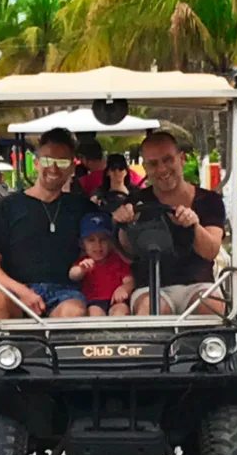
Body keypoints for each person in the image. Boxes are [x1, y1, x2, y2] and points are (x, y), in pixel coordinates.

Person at [112, 131, 225, 316]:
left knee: (211, 305)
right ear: (145, 167)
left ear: (182, 158)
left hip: (197, 285)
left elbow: (211, 250)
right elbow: (127, 254)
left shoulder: (209, 200)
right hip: (150, 287)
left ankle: (208, 346)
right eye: (153, 164)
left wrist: (194, 226)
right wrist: (125, 225)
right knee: (151, 309)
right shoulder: (136, 202)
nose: (162, 169)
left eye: (167, 160)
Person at [0, 128, 96, 319]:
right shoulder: (7, 208)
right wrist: (22, 291)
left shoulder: (81, 206)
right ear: (36, 163)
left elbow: (106, 239)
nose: (54, 168)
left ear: (72, 167)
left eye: (62, 162)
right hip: (19, 291)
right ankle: (8, 349)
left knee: (75, 311)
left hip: (65, 292)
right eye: (47, 160)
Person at [68, 211, 134, 316]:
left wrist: (124, 288)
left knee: (120, 311)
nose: (98, 245)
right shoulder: (84, 262)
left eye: (103, 239)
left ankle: (120, 333)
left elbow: (129, 280)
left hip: (116, 300)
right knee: (94, 312)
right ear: (82, 244)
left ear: (111, 241)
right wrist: (81, 269)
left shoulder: (117, 259)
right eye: (91, 240)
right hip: (93, 302)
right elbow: (73, 275)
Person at [77, 140, 143, 195]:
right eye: (113, 169)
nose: (117, 172)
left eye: (120, 169)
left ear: (84, 159)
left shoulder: (85, 182)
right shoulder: (137, 178)